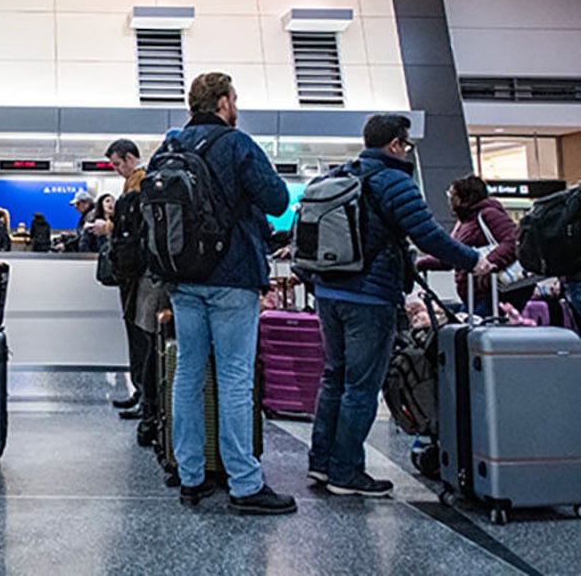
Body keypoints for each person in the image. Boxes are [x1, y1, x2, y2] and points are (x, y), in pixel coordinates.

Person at [307, 114, 493, 498]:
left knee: (334, 379)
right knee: (361, 387)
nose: (407, 151)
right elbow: (428, 235)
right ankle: (346, 472)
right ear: (395, 144)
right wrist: (472, 259)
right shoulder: (394, 181)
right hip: (369, 297)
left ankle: (321, 463)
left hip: (328, 293)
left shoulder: (340, 175)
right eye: (406, 144)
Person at [151, 71, 296, 515]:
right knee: (234, 378)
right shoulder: (237, 144)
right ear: (222, 103)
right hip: (231, 278)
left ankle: (191, 477)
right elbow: (277, 201)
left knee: (188, 375)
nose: (238, 105)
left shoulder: (170, 146)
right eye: (235, 98)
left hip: (182, 278)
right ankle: (245, 484)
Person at [90, 140, 151, 420]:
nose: (116, 170)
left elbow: (134, 225)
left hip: (138, 271)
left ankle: (144, 394)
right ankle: (141, 392)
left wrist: (108, 227)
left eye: (116, 164)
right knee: (137, 333)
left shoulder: (140, 183)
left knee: (139, 333)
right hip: (136, 269)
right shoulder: (134, 183)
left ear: (129, 158)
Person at [416, 174, 533, 317]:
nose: (449, 199)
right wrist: (420, 264)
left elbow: (512, 240)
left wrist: (488, 262)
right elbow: (453, 255)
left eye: (452, 194)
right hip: (476, 293)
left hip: (494, 291)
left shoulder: (488, 214)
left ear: (464, 198)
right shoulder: (464, 222)